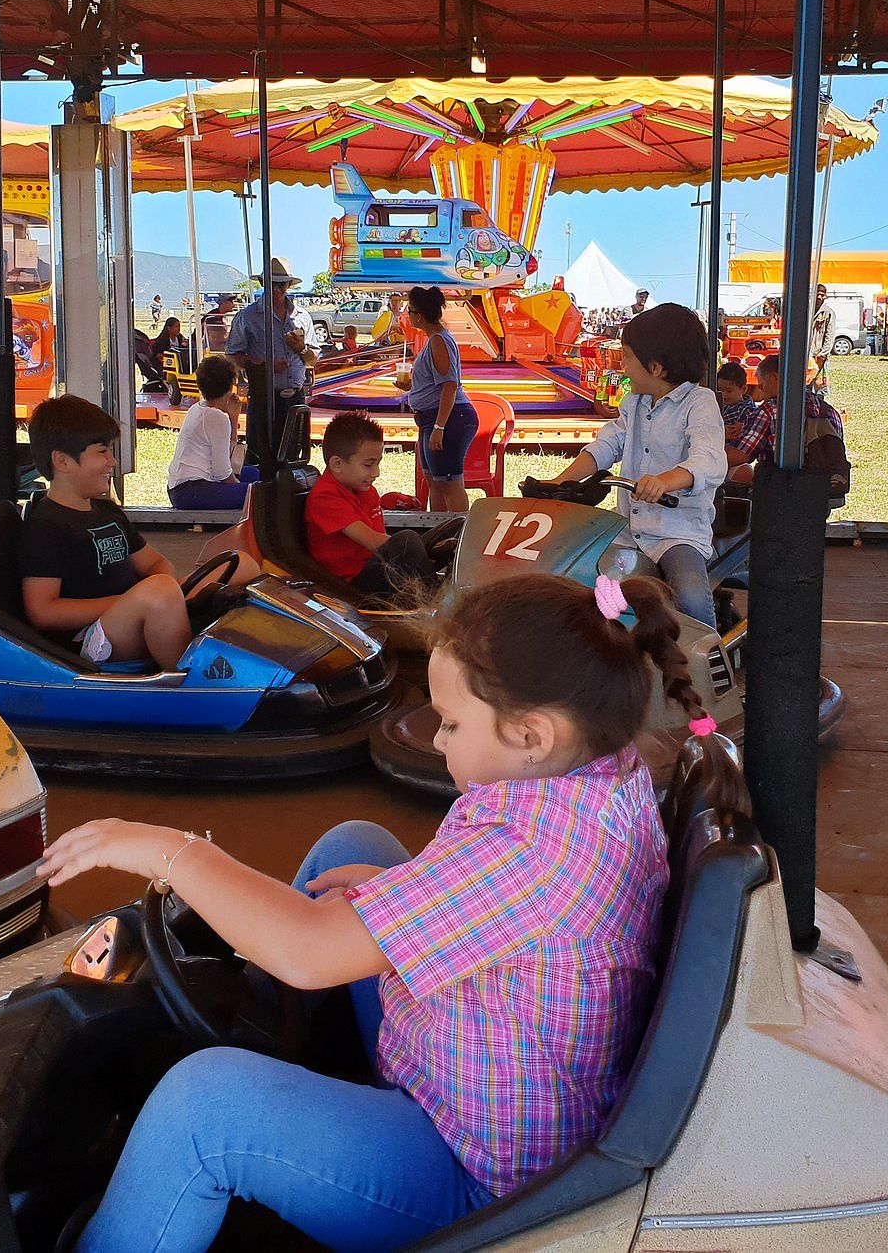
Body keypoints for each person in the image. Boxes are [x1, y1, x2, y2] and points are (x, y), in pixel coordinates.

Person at [48, 571, 690, 1253]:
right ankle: (267, 1035)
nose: (438, 741)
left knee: (204, 1107)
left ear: (532, 734)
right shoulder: (601, 776)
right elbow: (522, 916)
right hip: (483, 1057)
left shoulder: (530, 846)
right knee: (352, 847)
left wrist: (171, 849)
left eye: (450, 723)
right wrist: (402, 885)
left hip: (480, 1181)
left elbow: (310, 951)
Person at [551, 304, 726, 626]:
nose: (624, 367)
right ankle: (614, 651)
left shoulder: (699, 403)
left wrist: (667, 480)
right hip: (627, 532)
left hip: (676, 534)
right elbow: (608, 445)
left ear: (656, 367)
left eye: (628, 358)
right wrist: (559, 483)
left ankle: (701, 661)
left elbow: (710, 459)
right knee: (595, 589)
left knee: (690, 599)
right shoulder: (634, 402)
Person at [21, 395, 194, 668]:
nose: (112, 462)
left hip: (129, 615)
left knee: (236, 564)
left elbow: (156, 563)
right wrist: (140, 598)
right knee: (160, 592)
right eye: (102, 452)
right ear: (63, 461)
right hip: (88, 640)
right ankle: (193, 685)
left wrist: (168, 591)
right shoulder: (47, 525)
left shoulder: (107, 512)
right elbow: (43, 611)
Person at [306, 411, 437, 597]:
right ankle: (441, 603)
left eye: (378, 463)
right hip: (350, 584)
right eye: (368, 465)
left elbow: (381, 538)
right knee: (407, 541)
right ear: (337, 464)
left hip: (372, 568)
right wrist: (417, 548)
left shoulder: (366, 492)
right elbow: (373, 541)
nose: (376, 472)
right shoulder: (325, 497)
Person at [228, 260, 315, 469]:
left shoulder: (302, 317)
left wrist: (301, 348)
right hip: (263, 396)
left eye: (282, 284)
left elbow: (312, 359)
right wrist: (262, 365)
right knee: (260, 457)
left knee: (294, 457)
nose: (277, 289)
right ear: (264, 283)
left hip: (295, 396)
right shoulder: (247, 317)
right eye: (272, 283)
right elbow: (232, 355)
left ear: (289, 286)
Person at [404, 286, 477, 513]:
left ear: (420, 316)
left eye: (409, 310)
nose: (407, 315)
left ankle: (456, 532)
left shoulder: (438, 341)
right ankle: (439, 533)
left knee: (449, 483)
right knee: (435, 480)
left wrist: (439, 426)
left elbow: (449, 385)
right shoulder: (434, 339)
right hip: (432, 417)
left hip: (448, 418)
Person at [166, 356, 258, 512]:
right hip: (192, 490)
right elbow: (222, 471)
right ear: (230, 387)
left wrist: (233, 418)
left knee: (253, 474)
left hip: (182, 487)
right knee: (257, 494)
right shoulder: (216, 417)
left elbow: (227, 457)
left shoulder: (197, 408)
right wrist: (241, 490)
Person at [715, 358, 761, 444]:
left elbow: (752, 429)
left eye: (729, 391)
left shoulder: (747, 410)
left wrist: (742, 428)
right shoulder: (719, 404)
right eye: (720, 390)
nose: (724, 395)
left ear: (743, 389)